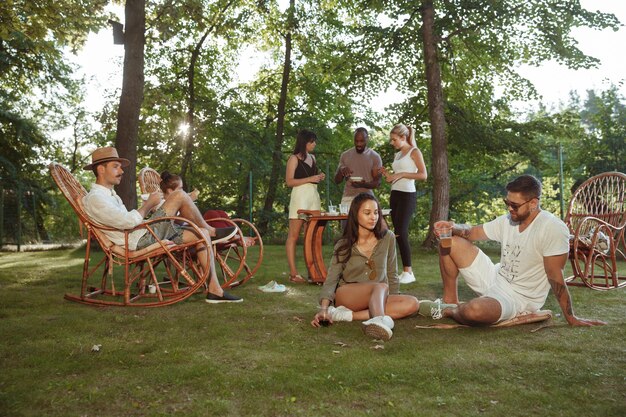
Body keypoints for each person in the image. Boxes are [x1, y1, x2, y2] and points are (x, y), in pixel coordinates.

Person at [430, 174, 606, 327]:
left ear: (533, 203)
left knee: (474, 311)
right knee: (450, 242)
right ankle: (450, 301)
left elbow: (555, 277)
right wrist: (451, 227)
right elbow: (471, 232)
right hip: (495, 277)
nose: (509, 208)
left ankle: (453, 311)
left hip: (518, 298)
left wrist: (571, 317)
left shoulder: (552, 228)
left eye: (514, 205)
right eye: (507, 203)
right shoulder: (508, 219)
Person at [82, 146, 241, 304]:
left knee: (201, 234)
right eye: (115, 167)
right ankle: (212, 230)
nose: (121, 171)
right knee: (179, 195)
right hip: (139, 240)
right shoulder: (96, 198)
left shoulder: (110, 195)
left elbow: (126, 220)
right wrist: (149, 205)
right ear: (101, 169)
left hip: (143, 233)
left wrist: (150, 209)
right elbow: (128, 222)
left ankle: (214, 290)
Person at [311, 193, 420, 341]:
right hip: (348, 294)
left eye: (376, 213)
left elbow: (392, 273)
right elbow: (331, 279)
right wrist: (324, 309)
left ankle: (345, 315)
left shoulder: (388, 237)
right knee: (380, 286)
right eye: (367, 213)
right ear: (356, 215)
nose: (373, 217)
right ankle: (380, 321)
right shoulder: (344, 244)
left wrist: (394, 298)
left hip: (377, 295)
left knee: (412, 303)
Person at [379, 124, 427, 285]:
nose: (391, 142)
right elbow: (392, 178)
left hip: (408, 195)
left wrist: (402, 174)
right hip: (395, 194)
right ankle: (404, 272)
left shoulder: (415, 152)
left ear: (403, 137)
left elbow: (423, 175)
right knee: (397, 233)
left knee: (401, 231)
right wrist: (387, 174)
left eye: (394, 139)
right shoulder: (398, 155)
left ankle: (409, 271)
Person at [285, 130, 326, 283]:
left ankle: (315, 272)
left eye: (315, 141)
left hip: (313, 197)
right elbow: (289, 182)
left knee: (314, 236)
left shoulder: (313, 158)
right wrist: (311, 178)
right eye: (312, 141)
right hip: (299, 198)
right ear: (304, 142)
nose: (314, 144)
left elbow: (311, 179)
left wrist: (318, 178)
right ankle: (294, 274)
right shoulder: (293, 159)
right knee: (294, 236)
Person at [334, 127, 383, 210]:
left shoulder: (375, 156)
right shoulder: (345, 155)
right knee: (345, 223)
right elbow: (337, 181)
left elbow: (377, 183)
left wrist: (363, 184)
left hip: (367, 197)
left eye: (361, 141)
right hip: (348, 197)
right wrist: (341, 171)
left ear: (367, 139)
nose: (359, 144)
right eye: (356, 141)